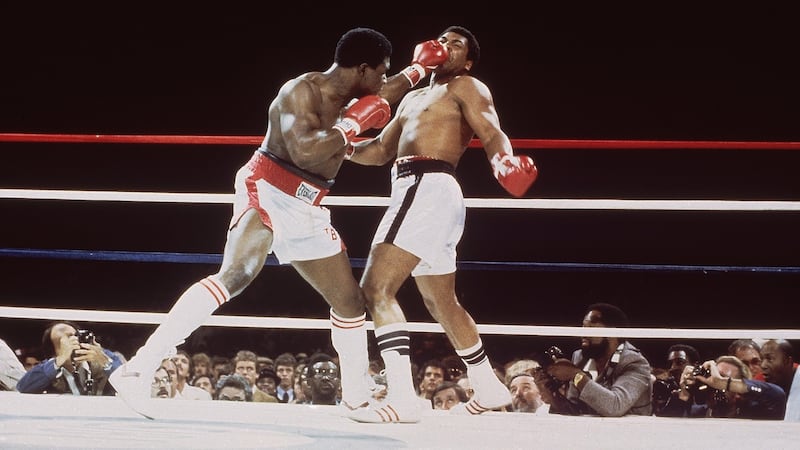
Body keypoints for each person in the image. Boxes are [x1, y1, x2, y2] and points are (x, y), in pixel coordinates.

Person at [109, 27, 443, 417]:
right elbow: (305, 149)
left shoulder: (361, 94)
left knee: (350, 302)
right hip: (268, 187)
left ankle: (355, 398)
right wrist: (352, 126)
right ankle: (138, 369)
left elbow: (391, 91)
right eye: (381, 72)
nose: (385, 81)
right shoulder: (300, 92)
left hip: (310, 205)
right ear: (362, 69)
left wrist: (419, 69)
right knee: (236, 274)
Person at [345, 25, 537, 423]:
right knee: (441, 301)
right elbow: (381, 150)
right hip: (418, 191)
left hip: (427, 186)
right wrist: (339, 145)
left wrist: (504, 162)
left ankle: (402, 398)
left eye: (456, 45)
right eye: (442, 40)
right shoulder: (412, 96)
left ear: (466, 60)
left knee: (376, 288)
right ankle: (487, 384)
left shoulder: (466, 86)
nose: (445, 46)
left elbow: (491, 130)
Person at [534, 303, 653, 417]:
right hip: (591, 433)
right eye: (583, 327)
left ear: (612, 332)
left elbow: (615, 407)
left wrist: (576, 375)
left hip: (630, 434)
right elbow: (575, 410)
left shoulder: (634, 362)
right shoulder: (580, 357)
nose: (583, 334)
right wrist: (551, 395)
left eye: (590, 327)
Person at [658, 355, 786, 419]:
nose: (713, 384)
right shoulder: (697, 413)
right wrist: (684, 394)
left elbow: (777, 395)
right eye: (713, 378)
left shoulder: (753, 414)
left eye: (721, 378)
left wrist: (724, 382)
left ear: (738, 390)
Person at [16, 321, 123, 396]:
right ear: (53, 352)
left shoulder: (103, 356)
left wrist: (104, 362)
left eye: (74, 336)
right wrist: (60, 360)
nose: (72, 343)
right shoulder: (49, 367)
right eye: (62, 342)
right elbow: (23, 387)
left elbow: (130, 384)